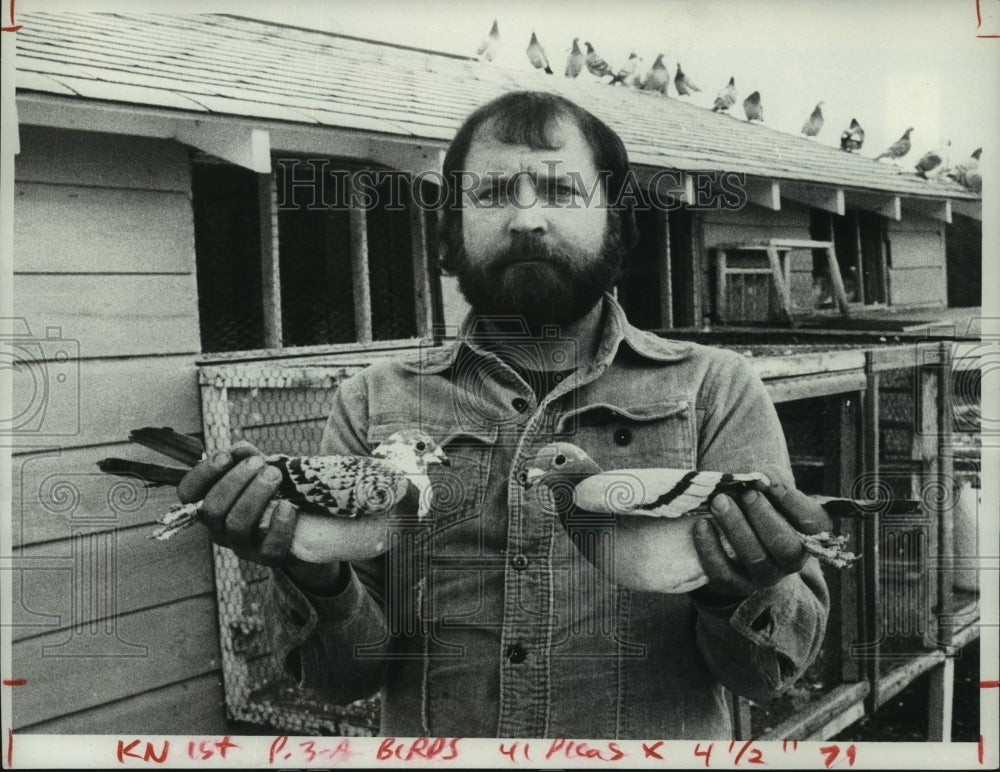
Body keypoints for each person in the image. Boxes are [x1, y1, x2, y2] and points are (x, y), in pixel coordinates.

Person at [178, 91, 830, 739]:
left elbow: (767, 674)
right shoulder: (375, 403)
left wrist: (738, 590)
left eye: (560, 190)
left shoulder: (716, 388)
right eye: (490, 194)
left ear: (617, 221)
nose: (525, 220)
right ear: (450, 231)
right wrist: (307, 567)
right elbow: (346, 678)